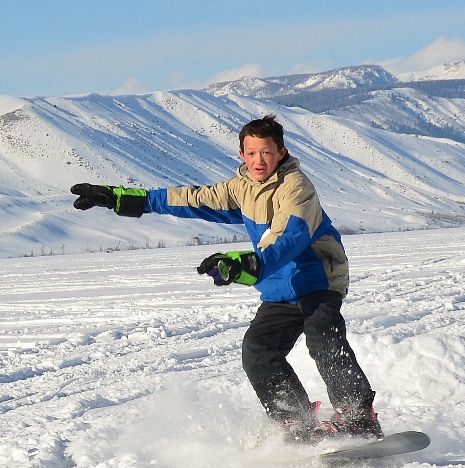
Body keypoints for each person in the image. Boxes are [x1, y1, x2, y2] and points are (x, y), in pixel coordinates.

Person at [71, 115, 383, 442]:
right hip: (279, 288)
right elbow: (193, 199)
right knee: (258, 350)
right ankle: (297, 422)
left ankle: (358, 415)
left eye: (266, 152)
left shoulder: (297, 188)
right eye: (251, 153)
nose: (258, 160)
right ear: (241, 155)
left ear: (281, 152)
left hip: (319, 279)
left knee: (322, 335)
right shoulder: (241, 187)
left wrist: (249, 263)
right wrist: (127, 199)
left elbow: (287, 239)